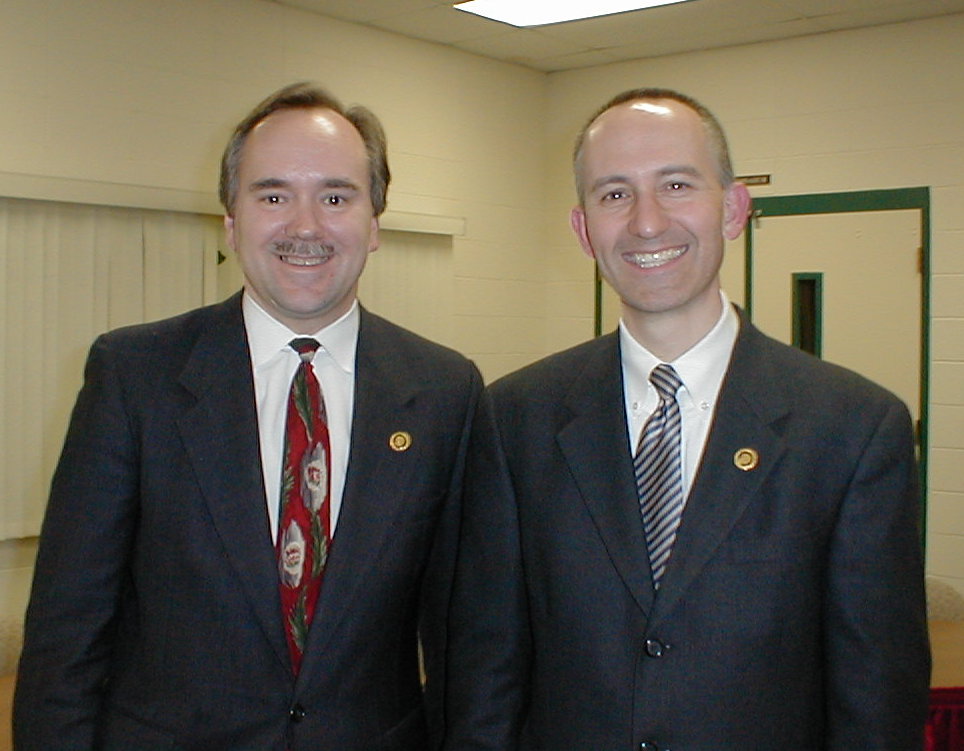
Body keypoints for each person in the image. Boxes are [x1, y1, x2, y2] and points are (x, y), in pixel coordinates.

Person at [444, 88, 930, 750]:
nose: (647, 222)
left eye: (676, 185)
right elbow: (486, 675)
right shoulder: (514, 420)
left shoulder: (853, 430)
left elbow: (876, 699)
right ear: (583, 229)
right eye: (615, 193)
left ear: (732, 208)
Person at [14, 82, 482, 750]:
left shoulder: (445, 391)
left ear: (374, 224)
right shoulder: (134, 375)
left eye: (336, 197)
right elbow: (66, 630)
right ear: (231, 222)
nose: (305, 226)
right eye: (272, 196)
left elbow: (465, 634)